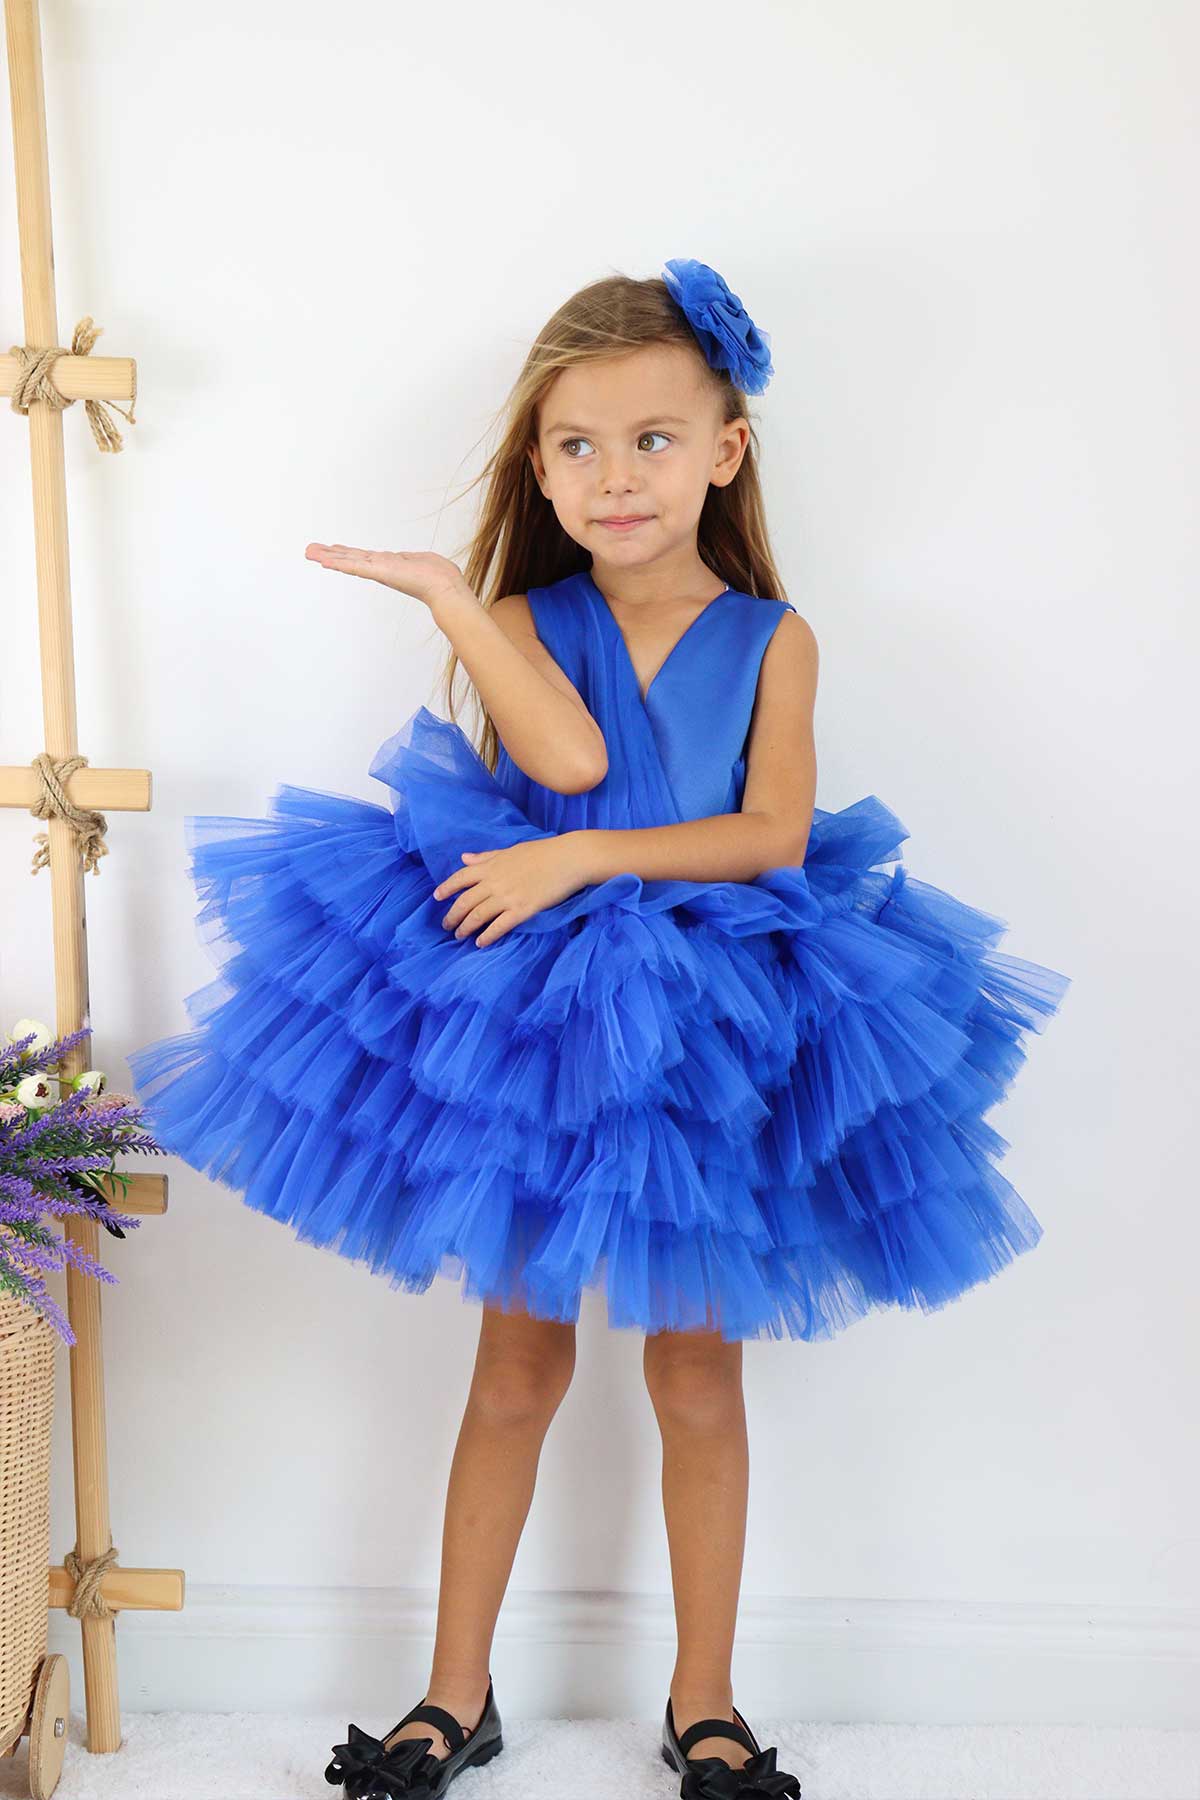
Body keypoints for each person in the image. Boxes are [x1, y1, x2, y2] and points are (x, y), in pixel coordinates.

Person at [127, 257, 1070, 1800]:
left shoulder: (773, 638)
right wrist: (455, 603)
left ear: (726, 450)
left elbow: (769, 835)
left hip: (714, 1017)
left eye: (652, 439)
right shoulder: (523, 615)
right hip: (546, 1021)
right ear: (541, 466)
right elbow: (565, 761)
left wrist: (581, 864)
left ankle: (705, 1703)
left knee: (697, 1375)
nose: (615, 475)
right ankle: (454, 1694)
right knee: (515, 1365)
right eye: (577, 445)